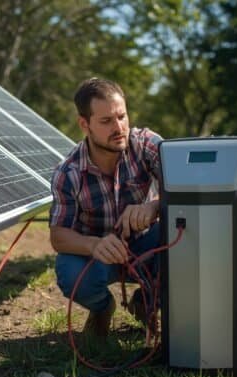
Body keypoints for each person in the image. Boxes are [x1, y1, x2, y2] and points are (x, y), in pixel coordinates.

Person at [49, 77, 163, 339]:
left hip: (149, 246)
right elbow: (58, 236)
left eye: (122, 116)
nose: (119, 127)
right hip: (101, 257)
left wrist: (155, 207)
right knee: (71, 273)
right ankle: (102, 308)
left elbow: (187, 185)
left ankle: (146, 302)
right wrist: (93, 245)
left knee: (189, 248)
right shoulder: (68, 173)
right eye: (106, 121)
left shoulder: (146, 145)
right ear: (84, 124)